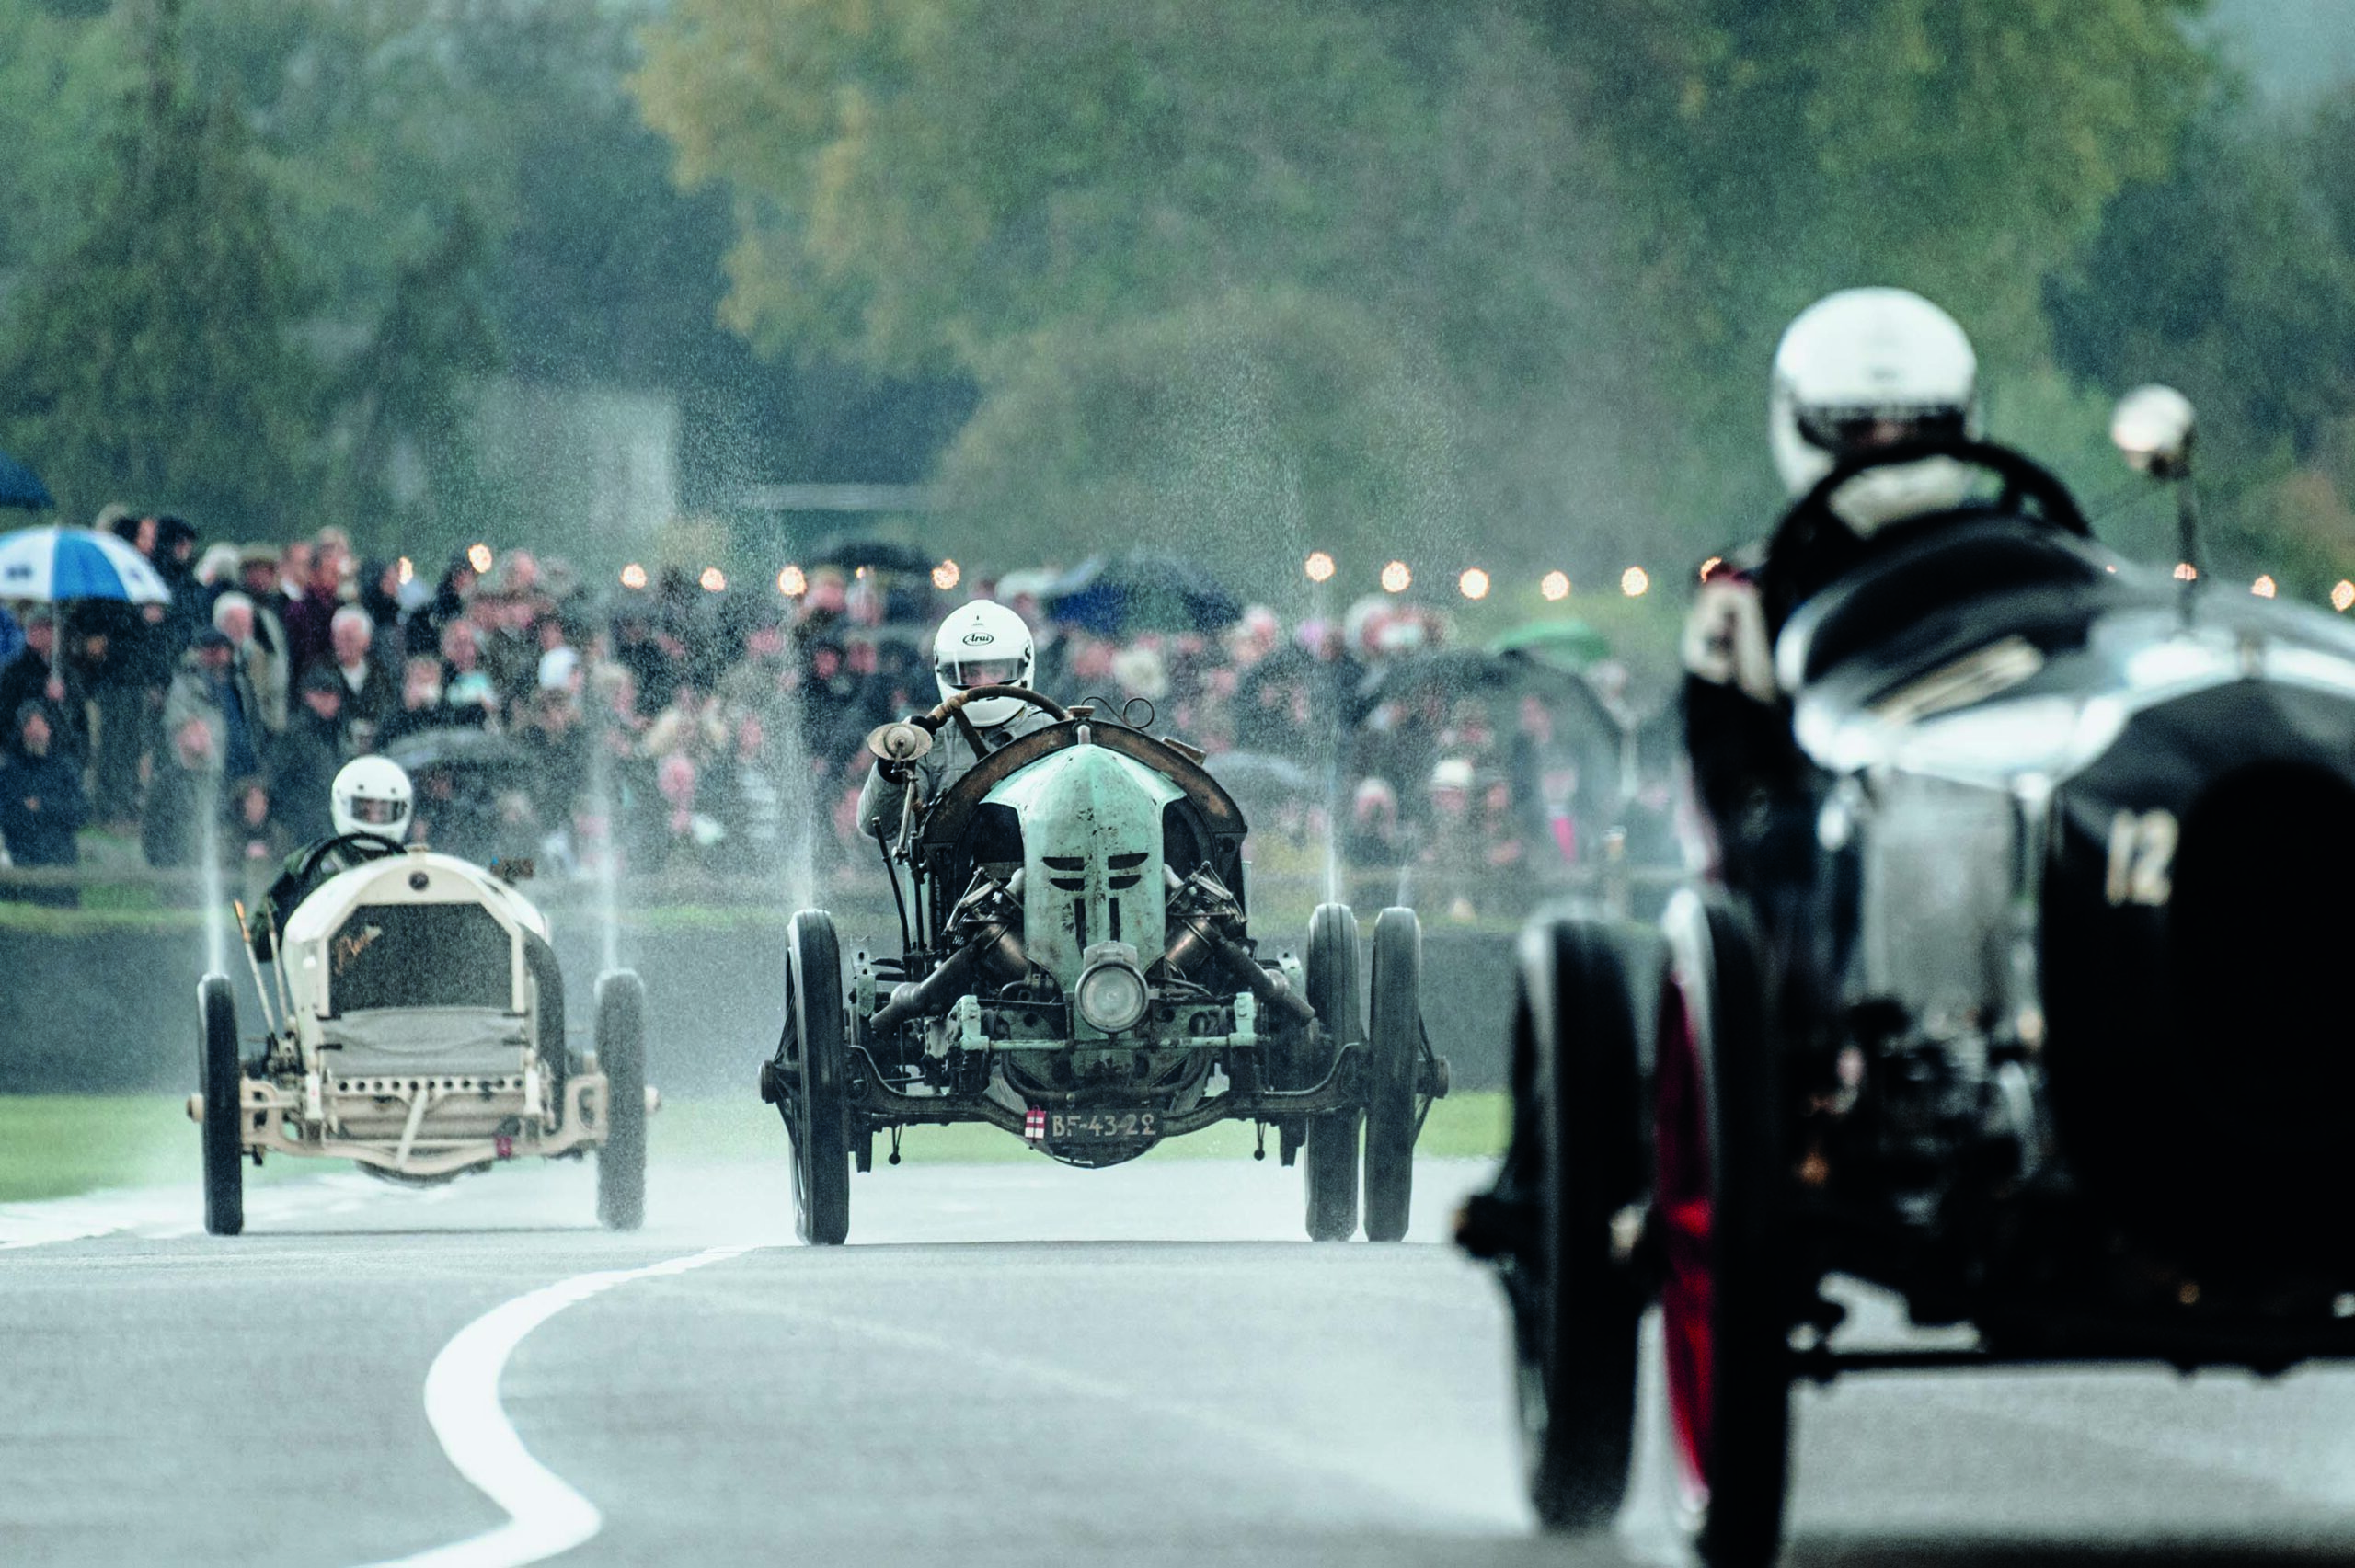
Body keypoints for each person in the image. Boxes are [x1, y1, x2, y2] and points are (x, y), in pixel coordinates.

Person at [1681, 285, 1981, 900]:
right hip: (1820, 857)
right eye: (1858, 428)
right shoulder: (1749, 596)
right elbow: (1729, 786)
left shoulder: (2011, 556)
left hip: (1986, 820)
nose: (1892, 447)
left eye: (1920, 426)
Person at [855, 600, 1056, 844]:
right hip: (955, 878)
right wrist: (893, 766)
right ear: (946, 672)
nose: (982, 683)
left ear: (1021, 665)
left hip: (1042, 874)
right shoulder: (929, 740)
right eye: (971, 673)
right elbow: (875, 825)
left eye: (994, 671)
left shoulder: (1053, 732)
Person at [245, 757, 413, 959]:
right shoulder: (311, 863)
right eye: (365, 810)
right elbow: (261, 943)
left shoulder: (415, 869)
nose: (374, 819)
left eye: (383, 811)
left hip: (398, 978)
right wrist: (291, 914)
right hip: (324, 978)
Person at [0, 703, 89, 907]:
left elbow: (81, 812)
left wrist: (44, 806)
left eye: (40, 726)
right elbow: (7, 814)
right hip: (23, 860)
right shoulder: (10, 773)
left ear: (49, 730)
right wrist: (28, 813)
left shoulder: (64, 769)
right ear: (22, 731)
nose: (36, 732)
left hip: (60, 860)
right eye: (30, 726)